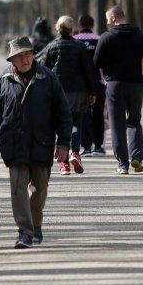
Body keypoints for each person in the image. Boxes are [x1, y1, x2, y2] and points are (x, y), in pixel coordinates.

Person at [0, 36, 72, 248]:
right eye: (19, 56)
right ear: (12, 60)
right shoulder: (1, 82)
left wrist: (63, 144)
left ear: (33, 54)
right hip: (13, 143)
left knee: (40, 188)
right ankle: (24, 231)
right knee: (18, 188)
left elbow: (63, 114)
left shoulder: (48, 78)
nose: (25, 59)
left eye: (27, 54)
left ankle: (36, 223)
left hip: (42, 143)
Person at [93, 6, 143, 174]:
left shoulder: (106, 37)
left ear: (114, 18)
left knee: (117, 123)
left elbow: (95, 63)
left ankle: (123, 164)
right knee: (134, 120)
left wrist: (98, 81)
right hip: (136, 84)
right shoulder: (140, 36)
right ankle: (136, 157)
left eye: (108, 18)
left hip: (115, 84)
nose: (107, 21)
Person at [37, 15, 97, 175]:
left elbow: (44, 71)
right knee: (76, 124)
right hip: (78, 92)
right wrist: (92, 91)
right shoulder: (80, 47)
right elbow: (88, 71)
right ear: (72, 29)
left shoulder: (51, 46)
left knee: (61, 127)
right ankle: (75, 153)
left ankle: (64, 164)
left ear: (58, 28)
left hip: (58, 93)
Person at [74, 14, 107, 156]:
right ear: (92, 25)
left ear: (79, 25)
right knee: (99, 114)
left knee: (83, 115)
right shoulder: (99, 40)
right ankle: (98, 145)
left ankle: (86, 146)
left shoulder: (74, 41)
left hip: (80, 84)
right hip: (98, 83)